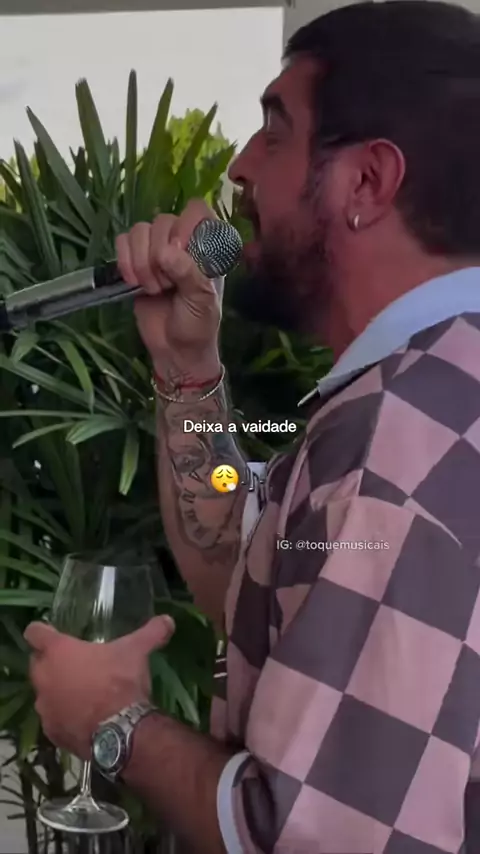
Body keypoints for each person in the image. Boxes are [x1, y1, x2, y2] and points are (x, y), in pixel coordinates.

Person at [25, 1, 480, 851]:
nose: (239, 165)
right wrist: (186, 370)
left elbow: (313, 839)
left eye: (275, 131)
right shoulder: (433, 392)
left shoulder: (396, 441)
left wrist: (113, 723)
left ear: (367, 182)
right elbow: (251, 570)